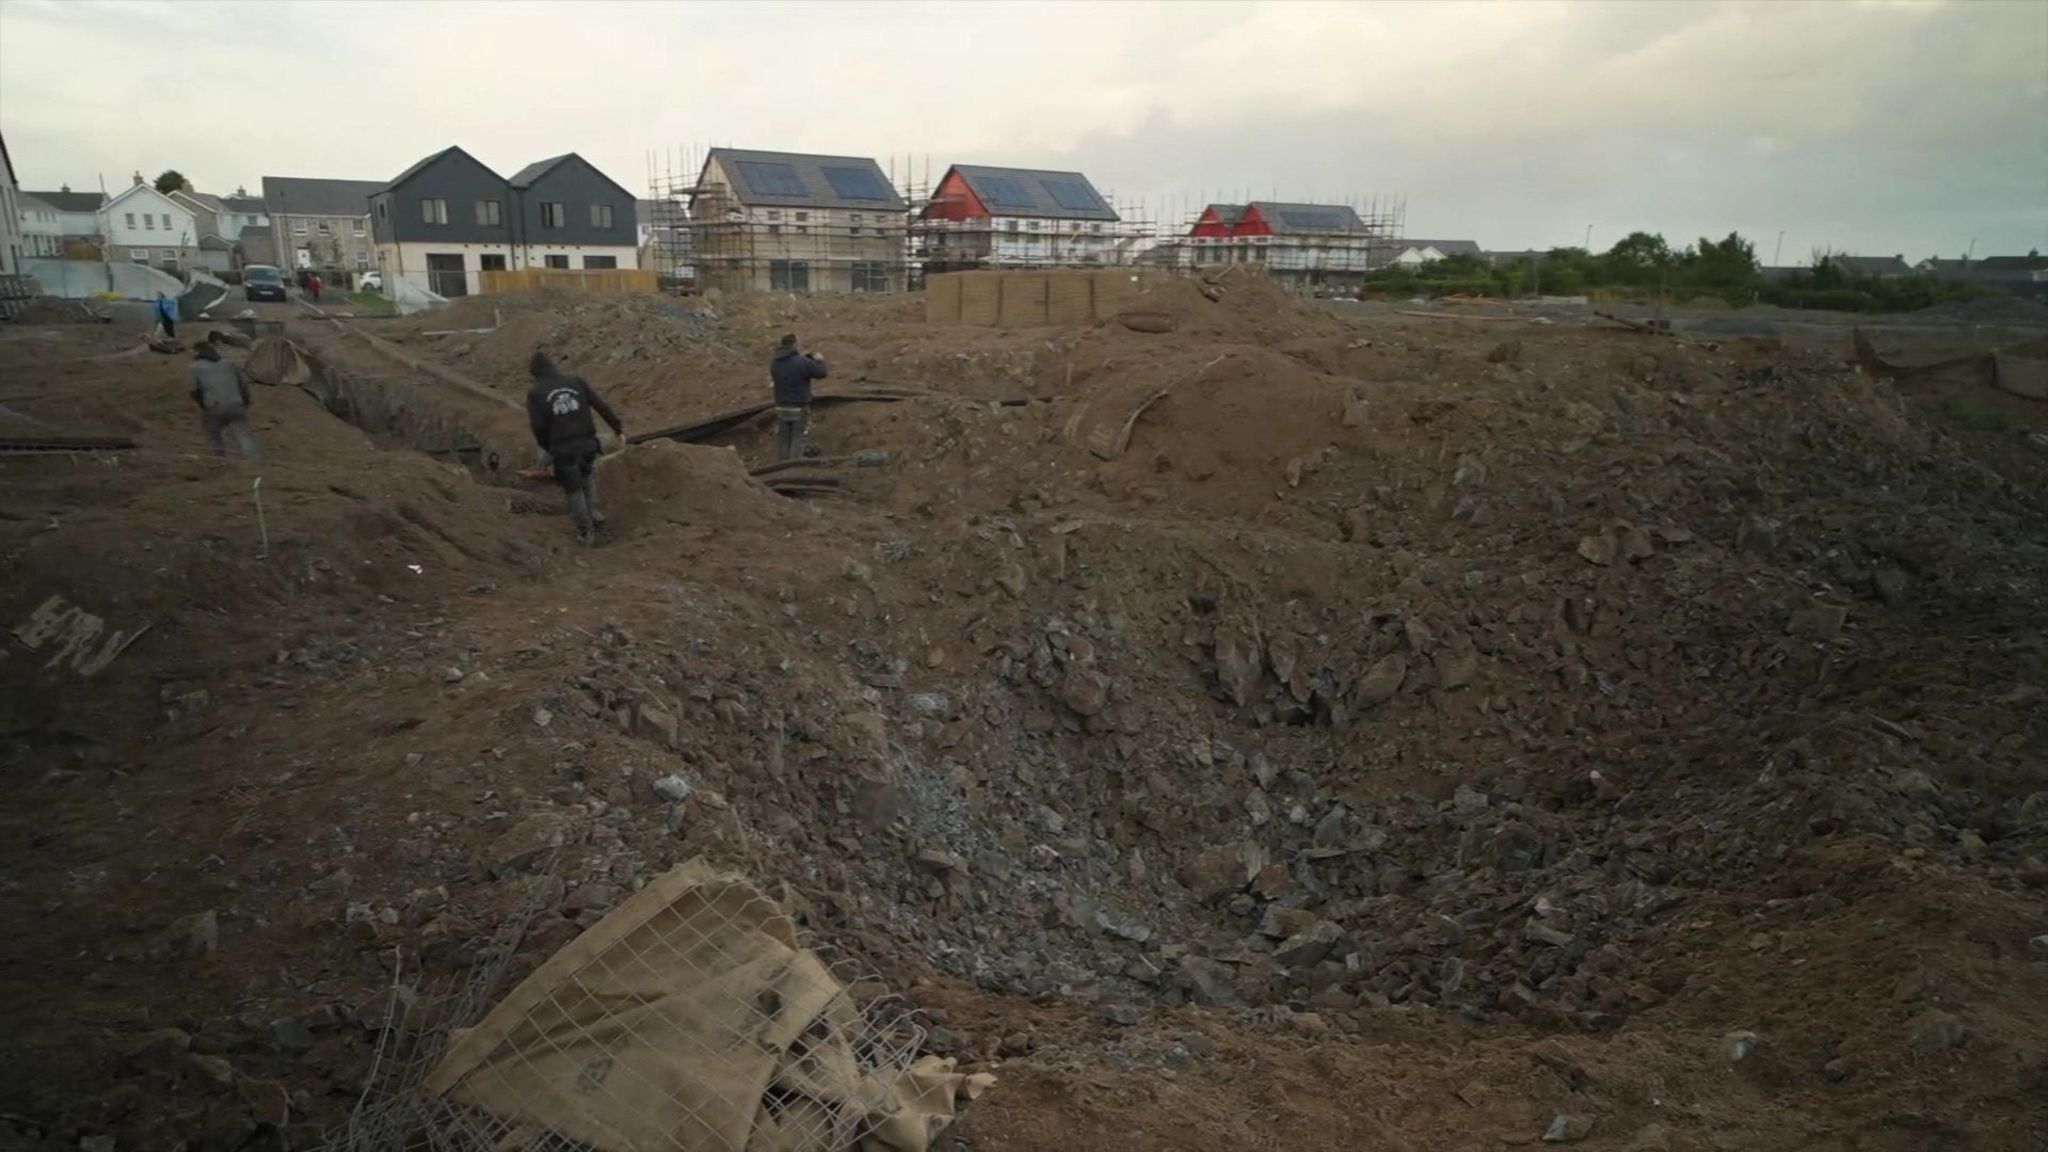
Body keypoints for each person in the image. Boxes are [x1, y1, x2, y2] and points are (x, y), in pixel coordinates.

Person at [525, 351, 624, 543]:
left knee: (574, 490)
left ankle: (586, 532)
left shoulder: (536, 393)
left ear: (535, 373)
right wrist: (617, 428)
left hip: (563, 450)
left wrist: (548, 447)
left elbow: (538, 427)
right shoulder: (576, 382)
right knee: (588, 477)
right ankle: (595, 514)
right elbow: (600, 405)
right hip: (589, 445)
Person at [188, 342, 258, 457]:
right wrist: (245, 402)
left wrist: (203, 405)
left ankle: (218, 458)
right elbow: (243, 385)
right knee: (244, 435)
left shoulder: (196, 367)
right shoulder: (229, 364)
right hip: (236, 404)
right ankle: (253, 460)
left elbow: (193, 390)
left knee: (213, 433)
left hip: (214, 406)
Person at [769, 333, 828, 462]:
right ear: (795, 344)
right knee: (797, 437)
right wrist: (820, 360)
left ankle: (781, 467)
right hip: (798, 406)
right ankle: (793, 466)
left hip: (780, 406)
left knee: (783, 438)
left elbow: (789, 370)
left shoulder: (774, 363)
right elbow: (821, 373)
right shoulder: (801, 362)